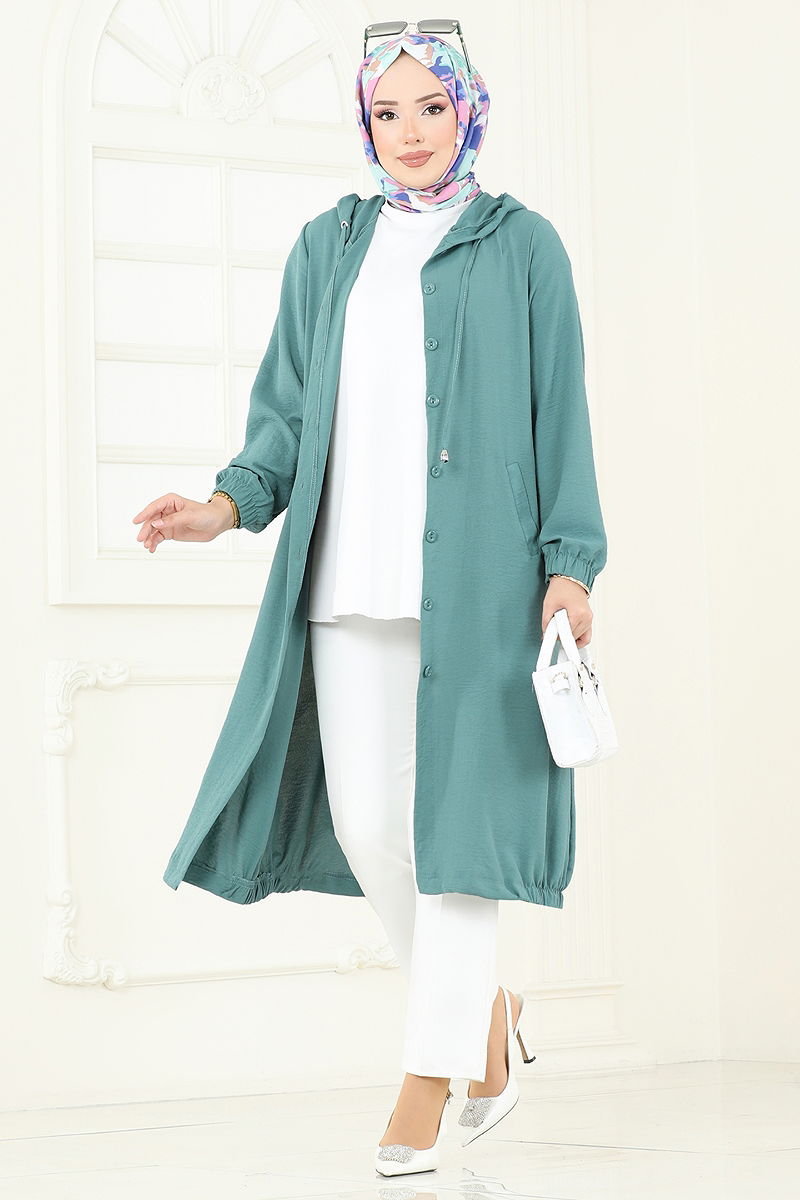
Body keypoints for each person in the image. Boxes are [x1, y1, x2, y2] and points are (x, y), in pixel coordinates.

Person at [133, 25, 607, 1180]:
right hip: (346, 586)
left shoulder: (523, 246)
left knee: (456, 839)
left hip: (482, 590)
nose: (409, 132)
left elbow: (560, 411)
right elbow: (285, 418)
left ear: (467, 113)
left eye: (430, 109)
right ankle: (486, 1022)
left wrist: (570, 562)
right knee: (369, 826)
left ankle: (426, 1077)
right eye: (386, 113)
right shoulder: (328, 247)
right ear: (364, 124)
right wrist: (221, 508)